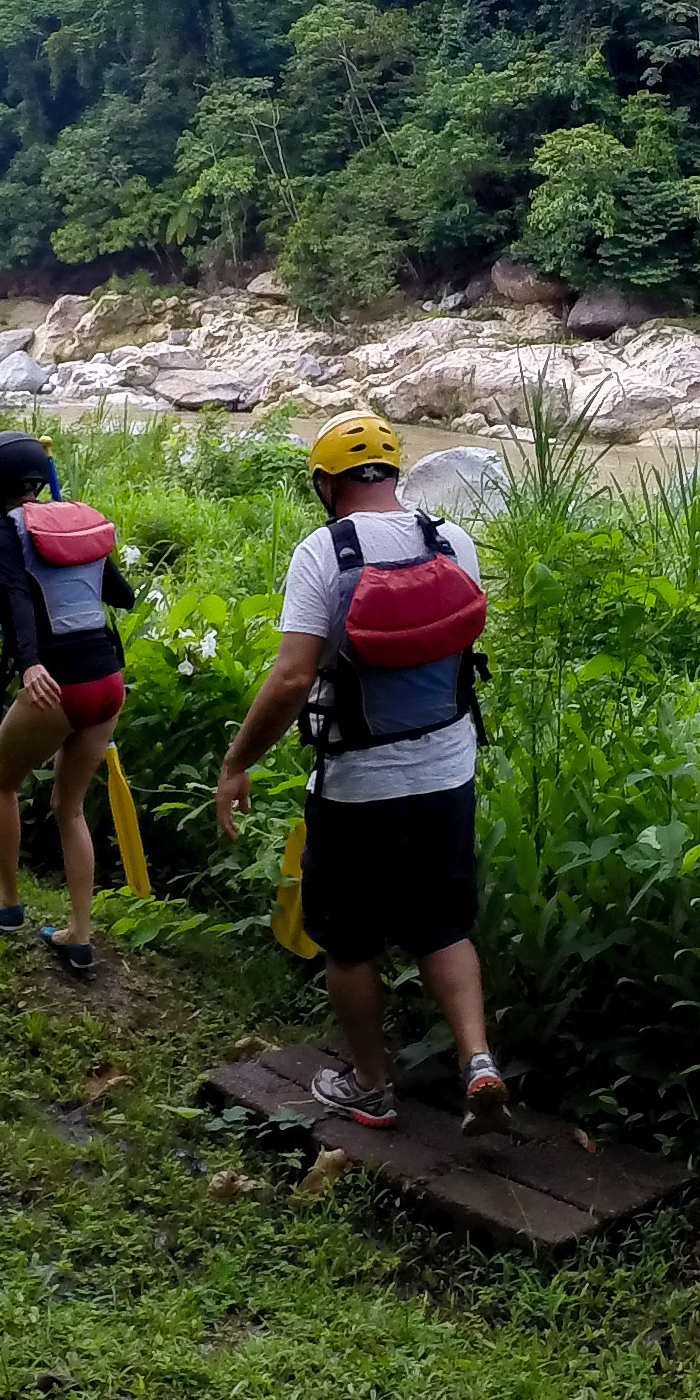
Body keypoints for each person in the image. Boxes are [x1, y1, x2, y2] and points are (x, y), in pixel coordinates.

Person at [211, 410, 511, 1135]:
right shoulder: (453, 539)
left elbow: (290, 681)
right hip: (448, 769)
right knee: (442, 923)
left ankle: (372, 1088)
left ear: (325, 482)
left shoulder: (324, 553)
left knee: (349, 940)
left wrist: (236, 763)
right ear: (395, 473)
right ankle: (478, 1061)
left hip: (357, 785)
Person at [0, 429, 134, 977]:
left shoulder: (5, 532)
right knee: (71, 807)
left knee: (3, 780)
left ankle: (7, 903)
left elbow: (13, 594)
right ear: (38, 482)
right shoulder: (78, 519)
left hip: (58, 682)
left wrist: (32, 662)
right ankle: (79, 935)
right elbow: (120, 596)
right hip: (108, 680)